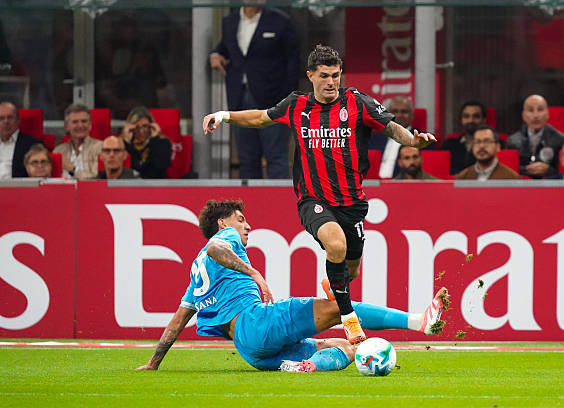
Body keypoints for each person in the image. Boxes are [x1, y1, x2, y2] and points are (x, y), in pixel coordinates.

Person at [202, 45, 436, 344]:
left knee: (351, 269)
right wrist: (223, 115)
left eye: (336, 75)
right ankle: (349, 318)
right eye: (324, 76)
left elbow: (392, 128)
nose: (331, 82)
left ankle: (332, 283)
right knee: (335, 244)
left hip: (352, 202)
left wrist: (413, 142)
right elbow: (260, 117)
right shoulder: (296, 106)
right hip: (313, 200)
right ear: (310, 75)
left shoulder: (358, 102)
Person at [136, 199, 449, 373]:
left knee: (345, 347)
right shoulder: (224, 238)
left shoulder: (197, 272)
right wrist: (254, 273)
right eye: (241, 219)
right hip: (256, 321)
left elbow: (178, 321)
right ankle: (418, 322)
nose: (247, 225)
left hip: (249, 351)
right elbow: (218, 249)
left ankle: (306, 366)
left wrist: (153, 363)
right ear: (222, 223)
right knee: (336, 307)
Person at [210, 6, 299, 179]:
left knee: (276, 156)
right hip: (239, 96)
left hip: (274, 100)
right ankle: (250, 197)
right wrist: (215, 54)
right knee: (247, 159)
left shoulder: (280, 21)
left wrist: (287, 99)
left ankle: (278, 196)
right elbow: (226, 47)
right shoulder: (230, 21)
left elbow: (293, 62)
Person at [506, 94, 564, 179]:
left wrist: (548, 170)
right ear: (523, 115)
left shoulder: (560, 140)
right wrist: (526, 169)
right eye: (530, 110)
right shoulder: (512, 141)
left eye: (540, 110)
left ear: (548, 114)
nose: (536, 115)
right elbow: (508, 169)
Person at [369, 95, 417, 178]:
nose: (399, 115)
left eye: (404, 111)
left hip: (401, 183)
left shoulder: (422, 139)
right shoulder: (374, 139)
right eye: (395, 111)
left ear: (412, 115)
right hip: (372, 183)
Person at [53, 103, 102, 179]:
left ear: (90, 125)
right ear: (66, 126)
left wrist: (72, 169)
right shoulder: (58, 151)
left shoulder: (100, 147)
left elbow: (97, 178)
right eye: (75, 122)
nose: (80, 125)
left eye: (84, 121)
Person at [120, 106, 171, 179]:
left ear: (152, 126)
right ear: (130, 128)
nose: (141, 131)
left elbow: (159, 168)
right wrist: (127, 143)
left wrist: (155, 140)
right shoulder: (120, 145)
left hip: (155, 184)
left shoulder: (162, 143)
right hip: (128, 184)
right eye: (137, 127)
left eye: (145, 126)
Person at [455, 125, 520, 181]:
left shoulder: (511, 178)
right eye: (477, 142)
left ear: (498, 147)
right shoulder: (463, 177)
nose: (482, 146)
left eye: (487, 141)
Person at [440, 101, 487, 175]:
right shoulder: (449, 145)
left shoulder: (493, 145)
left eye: (476, 116)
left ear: (484, 120)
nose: (471, 120)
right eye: (466, 116)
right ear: (461, 120)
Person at [0, 101, 42, 179]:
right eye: (1, 118)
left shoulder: (33, 145)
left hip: (17, 185)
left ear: (18, 120)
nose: (6, 121)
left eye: (10, 117)